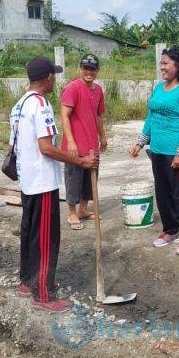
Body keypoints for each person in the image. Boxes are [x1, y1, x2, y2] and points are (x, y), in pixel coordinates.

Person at [10, 56, 97, 312]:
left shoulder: (19, 105)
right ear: (47, 78)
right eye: (53, 76)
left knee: (30, 233)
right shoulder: (40, 105)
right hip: (42, 182)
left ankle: (27, 281)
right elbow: (46, 147)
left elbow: (13, 146)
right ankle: (43, 294)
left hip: (27, 181)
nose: (54, 80)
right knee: (47, 239)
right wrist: (79, 160)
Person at [129, 46, 179, 253]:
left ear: (177, 65)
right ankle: (171, 230)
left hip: (176, 152)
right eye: (161, 63)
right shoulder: (159, 88)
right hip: (158, 150)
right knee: (163, 193)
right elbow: (151, 117)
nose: (161, 67)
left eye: (165, 63)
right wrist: (140, 142)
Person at [60, 53, 108, 230]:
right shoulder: (72, 88)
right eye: (86, 68)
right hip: (75, 146)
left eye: (92, 69)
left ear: (97, 71)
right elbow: (64, 115)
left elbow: (98, 115)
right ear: (80, 69)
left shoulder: (98, 90)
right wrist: (71, 141)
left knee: (90, 180)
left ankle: (83, 209)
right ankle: (72, 213)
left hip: (91, 145)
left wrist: (102, 136)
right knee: (73, 179)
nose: (89, 72)